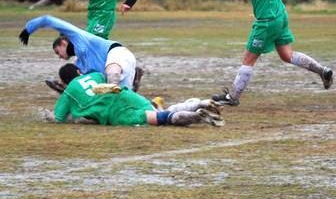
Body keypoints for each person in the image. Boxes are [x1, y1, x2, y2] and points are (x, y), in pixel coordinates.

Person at [212, 0, 333, 106]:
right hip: (279, 18)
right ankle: (323, 71)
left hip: (267, 22)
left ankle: (233, 97)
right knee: (287, 55)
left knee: (248, 59)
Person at [43, 64, 224, 127]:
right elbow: (107, 84)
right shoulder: (95, 75)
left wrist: (45, 115)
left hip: (113, 112)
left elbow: (58, 118)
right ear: (78, 71)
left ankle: (197, 116)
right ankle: (201, 102)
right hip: (124, 95)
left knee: (161, 118)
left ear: (65, 82)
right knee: (157, 109)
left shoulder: (68, 91)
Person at [19, 15, 140, 91]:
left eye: (57, 52)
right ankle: (155, 109)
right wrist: (65, 88)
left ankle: (132, 80)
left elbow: (48, 19)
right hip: (118, 67)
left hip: (117, 54)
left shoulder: (77, 36)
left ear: (63, 42)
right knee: (123, 101)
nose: (59, 57)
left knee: (112, 83)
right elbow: (84, 83)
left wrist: (28, 29)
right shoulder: (80, 63)